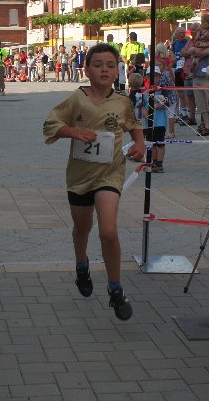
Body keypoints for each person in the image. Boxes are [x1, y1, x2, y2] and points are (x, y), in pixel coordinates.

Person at [43, 43, 146, 321]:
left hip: (110, 174)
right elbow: (50, 124)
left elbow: (134, 125)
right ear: (87, 70)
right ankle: (81, 265)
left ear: (117, 71)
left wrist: (140, 144)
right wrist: (74, 131)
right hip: (79, 177)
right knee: (82, 227)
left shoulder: (122, 101)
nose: (104, 70)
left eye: (110, 65)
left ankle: (115, 289)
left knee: (108, 231)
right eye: (98, 65)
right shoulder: (76, 99)